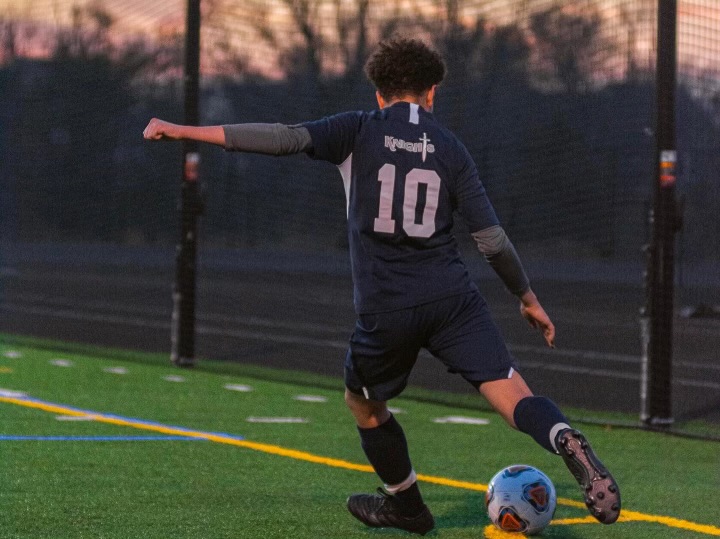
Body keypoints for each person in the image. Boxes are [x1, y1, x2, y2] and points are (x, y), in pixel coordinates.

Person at [144, 37, 620, 535]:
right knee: (512, 395)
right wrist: (527, 297)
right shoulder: (451, 148)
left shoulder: (357, 130)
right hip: (454, 299)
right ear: (431, 93)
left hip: (388, 308)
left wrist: (182, 130)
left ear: (378, 93)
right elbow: (492, 241)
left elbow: (281, 137)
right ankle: (564, 436)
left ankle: (406, 507)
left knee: (363, 403)